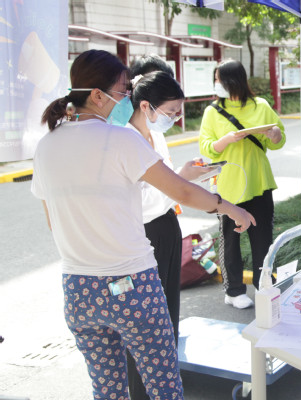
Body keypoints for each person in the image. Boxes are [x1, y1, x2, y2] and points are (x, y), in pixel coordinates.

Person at [32, 50, 255, 400]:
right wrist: (230, 209)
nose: (126, 98)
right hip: (132, 284)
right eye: (122, 91)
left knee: (108, 389)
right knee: (164, 384)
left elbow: (52, 221)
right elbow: (181, 190)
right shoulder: (119, 139)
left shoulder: (46, 145)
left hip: (78, 289)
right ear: (97, 95)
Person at [126, 70, 211, 400]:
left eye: (178, 113)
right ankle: (143, 390)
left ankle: (164, 383)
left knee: (167, 312)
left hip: (166, 226)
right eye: (171, 112)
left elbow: (166, 184)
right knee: (145, 322)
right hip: (143, 233)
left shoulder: (153, 135)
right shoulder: (125, 139)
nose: (175, 119)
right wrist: (182, 182)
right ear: (145, 106)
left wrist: (185, 178)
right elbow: (139, 201)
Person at [198, 59, 285, 309]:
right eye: (215, 79)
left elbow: (278, 140)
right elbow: (206, 148)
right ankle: (233, 290)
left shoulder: (261, 106)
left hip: (259, 181)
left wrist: (275, 135)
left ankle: (263, 284)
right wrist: (226, 140)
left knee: (262, 238)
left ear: (232, 81)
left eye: (219, 79)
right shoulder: (213, 112)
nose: (216, 84)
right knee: (230, 239)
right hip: (228, 185)